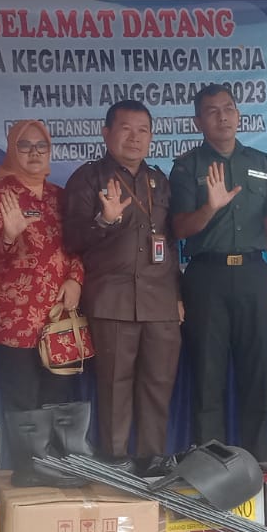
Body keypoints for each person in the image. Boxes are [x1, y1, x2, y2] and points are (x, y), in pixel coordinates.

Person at [172, 84, 267, 462]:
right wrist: (209, 207)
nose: (222, 117)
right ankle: (212, 466)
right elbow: (179, 228)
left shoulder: (259, 162)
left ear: (239, 115)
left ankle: (257, 465)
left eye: (228, 109)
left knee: (258, 375)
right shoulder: (187, 166)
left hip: (255, 275)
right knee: (208, 378)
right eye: (212, 111)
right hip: (207, 278)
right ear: (198, 122)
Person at [62, 100, 181, 461]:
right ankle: (115, 463)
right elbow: (72, 240)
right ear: (106, 133)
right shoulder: (88, 178)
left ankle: (151, 462)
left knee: (159, 384)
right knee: (115, 386)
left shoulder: (159, 180)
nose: (134, 138)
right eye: (126, 129)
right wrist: (105, 220)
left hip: (160, 301)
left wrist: (176, 295)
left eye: (142, 130)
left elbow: (169, 243)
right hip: (112, 299)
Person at [0, 120, 84, 410]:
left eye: (41, 145)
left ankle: (57, 446)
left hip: (59, 315)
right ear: (12, 150)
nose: (34, 152)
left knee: (59, 402)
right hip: (15, 320)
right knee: (23, 406)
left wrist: (75, 279)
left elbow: (79, 245)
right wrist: (8, 236)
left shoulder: (61, 197)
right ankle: (25, 445)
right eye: (25, 145)